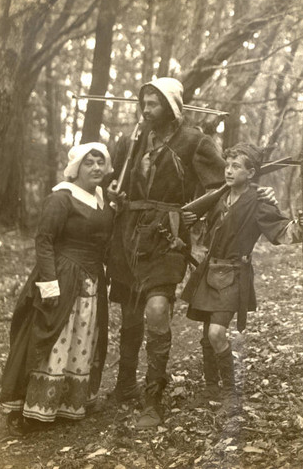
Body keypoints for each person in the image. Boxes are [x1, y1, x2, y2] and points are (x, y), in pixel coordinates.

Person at [107, 77, 275, 429]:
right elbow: (116, 182)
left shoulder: (196, 140)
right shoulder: (134, 138)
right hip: (128, 234)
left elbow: (224, 185)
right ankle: (125, 386)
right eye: (144, 102)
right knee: (131, 313)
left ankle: (153, 399)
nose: (146, 108)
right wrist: (116, 192)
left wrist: (258, 198)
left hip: (167, 235)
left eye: (154, 103)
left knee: (156, 307)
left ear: (170, 105)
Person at [181, 142, 303, 414]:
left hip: (233, 274)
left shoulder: (259, 201)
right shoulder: (219, 196)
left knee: (218, 332)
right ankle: (211, 387)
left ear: (251, 173)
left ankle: (231, 394)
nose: (228, 171)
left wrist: (301, 225)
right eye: (227, 165)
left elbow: (283, 231)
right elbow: (190, 216)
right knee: (207, 333)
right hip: (208, 270)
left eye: (236, 166)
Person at [0, 142, 114, 436]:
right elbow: (44, 240)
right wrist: (49, 284)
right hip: (62, 276)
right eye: (89, 163)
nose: (96, 168)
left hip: (91, 280)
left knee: (82, 339)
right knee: (53, 337)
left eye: (101, 162)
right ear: (76, 168)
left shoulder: (102, 198)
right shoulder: (62, 198)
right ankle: (34, 410)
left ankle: (66, 403)